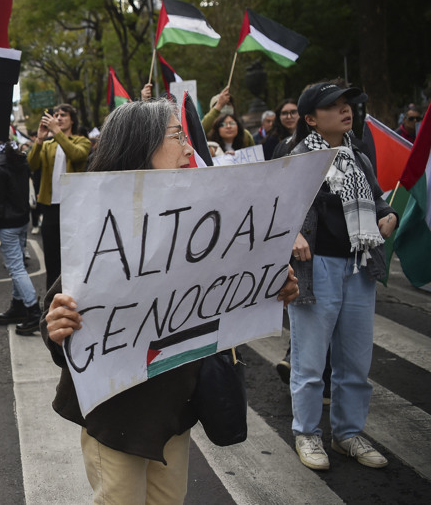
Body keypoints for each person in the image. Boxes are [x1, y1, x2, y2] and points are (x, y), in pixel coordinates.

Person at [42, 98, 300, 503]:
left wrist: (270, 287)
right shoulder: (105, 226)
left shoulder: (203, 218)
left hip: (176, 407)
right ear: (138, 145)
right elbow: (62, 312)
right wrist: (56, 327)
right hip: (117, 415)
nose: (187, 148)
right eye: (177, 136)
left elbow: (222, 291)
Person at [286, 81, 396, 472]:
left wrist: (388, 214)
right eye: (334, 106)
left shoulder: (358, 155)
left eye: (347, 104)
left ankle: (348, 433)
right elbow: (276, 210)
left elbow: (379, 197)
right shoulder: (298, 158)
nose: (346, 110)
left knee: (355, 362)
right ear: (312, 119)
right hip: (317, 271)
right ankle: (307, 433)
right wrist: (292, 234)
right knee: (310, 362)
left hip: (360, 266)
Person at [27, 103, 90, 291]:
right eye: (56, 115)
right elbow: (31, 165)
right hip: (51, 207)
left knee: (74, 258)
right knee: (52, 260)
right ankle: (51, 303)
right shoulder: (48, 145)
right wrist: (39, 139)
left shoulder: (81, 141)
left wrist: (57, 132)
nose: (58, 118)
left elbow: (77, 156)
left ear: (72, 119)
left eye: (63, 115)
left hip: (74, 207)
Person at [0, 141, 40, 335]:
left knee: (15, 268)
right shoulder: (19, 158)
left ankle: (33, 311)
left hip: (6, 224)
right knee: (19, 267)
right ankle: (18, 307)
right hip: (21, 220)